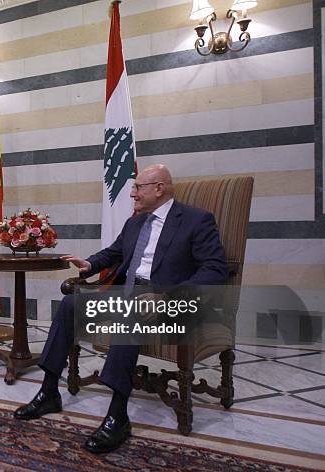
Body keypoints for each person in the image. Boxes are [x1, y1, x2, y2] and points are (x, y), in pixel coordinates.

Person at [13, 164, 227, 453]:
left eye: (138, 187)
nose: (132, 193)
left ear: (159, 188)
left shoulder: (196, 220)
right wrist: (90, 264)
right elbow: (114, 252)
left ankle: (118, 415)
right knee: (69, 304)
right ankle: (49, 391)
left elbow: (215, 270)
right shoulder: (136, 222)